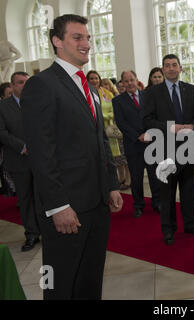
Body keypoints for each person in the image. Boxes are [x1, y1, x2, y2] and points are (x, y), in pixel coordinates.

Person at [20, 14, 123, 300]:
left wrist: (112, 184)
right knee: (58, 282)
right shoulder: (42, 85)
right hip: (67, 208)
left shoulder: (88, 87)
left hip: (97, 202)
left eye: (88, 38)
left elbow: (100, 142)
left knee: (90, 279)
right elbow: (42, 153)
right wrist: (58, 206)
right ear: (57, 41)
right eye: (77, 37)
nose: (86, 43)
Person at [144, 54, 194, 245]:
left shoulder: (189, 89)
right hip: (164, 150)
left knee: (188, 189)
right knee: (167, 193)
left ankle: (190, 224)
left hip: (187, 149)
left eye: (174, 65)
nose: (171, 68)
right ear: (162, 69)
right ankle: (168, 230)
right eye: (167, 65)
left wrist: (192, 127)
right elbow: (147, 120)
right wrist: (173, 128)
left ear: (180, 68)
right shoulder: (153, 93)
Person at [0, 71, 41, 251]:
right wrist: (23, 147)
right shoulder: (3, 107)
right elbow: (2, 133)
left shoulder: (38, 103)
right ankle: (31, 234)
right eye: (20, 83)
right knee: (25, 199)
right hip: (18, 159)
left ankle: (47, 231)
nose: (24, 85)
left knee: (43, 198)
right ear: (12, 86)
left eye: (27, 82)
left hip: (41, 159)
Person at [113, 70, 160, 217]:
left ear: (136, 80)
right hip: (133, 145)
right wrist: (138, 136)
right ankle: (138, 205)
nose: (129, 83)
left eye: (131, 80)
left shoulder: (148, 96)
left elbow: (155, 116)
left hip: (151, 143)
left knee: (154, 176)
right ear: (122, 83)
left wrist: (150, 133)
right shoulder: (118, 101)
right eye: (126, 81)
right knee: (136, 178)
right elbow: (121, 123)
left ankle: (157, 203)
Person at [87, 70, 130, 190]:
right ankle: (111, 181)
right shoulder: (85, 94)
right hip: (94, 129)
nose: (94, 81)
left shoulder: (107, 93)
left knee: (120, 156)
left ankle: (123, 179)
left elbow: (114, 109)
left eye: (96, 78)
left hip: (111, 128)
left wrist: (103, 116)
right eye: (91, 78)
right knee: (105, 158)